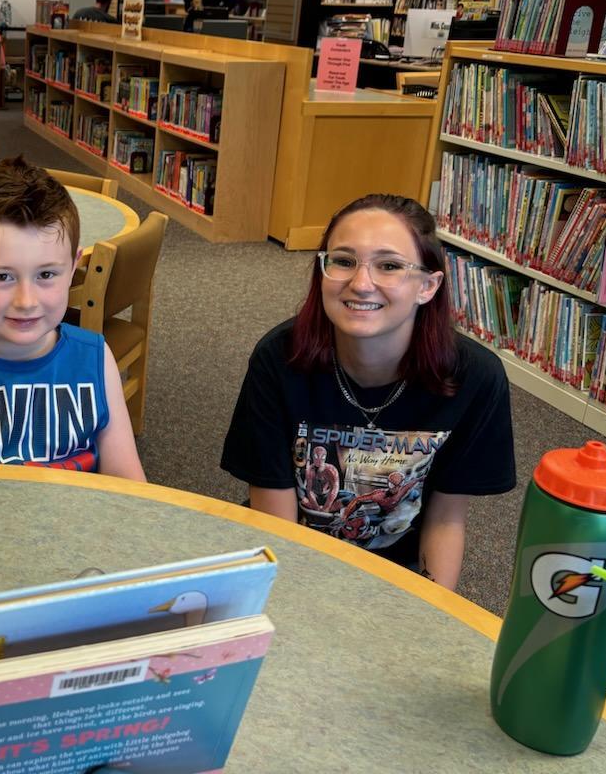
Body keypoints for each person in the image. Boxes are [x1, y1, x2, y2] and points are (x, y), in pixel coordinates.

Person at [220, 194, 515, 592]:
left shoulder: (475, 377)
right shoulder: (279, 359)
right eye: (343, 261)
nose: (360, 284)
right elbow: (275, 519)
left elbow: (446, 519)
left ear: (428, 286)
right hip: (291, 552)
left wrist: (428, 610)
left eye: (389, 266)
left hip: (396, 572)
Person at [0, 157, 145, 480]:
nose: (26, 301)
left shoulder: (96, 358)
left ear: (72, 268)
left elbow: (128, 484)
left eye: (46, 274)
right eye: (3, 277)